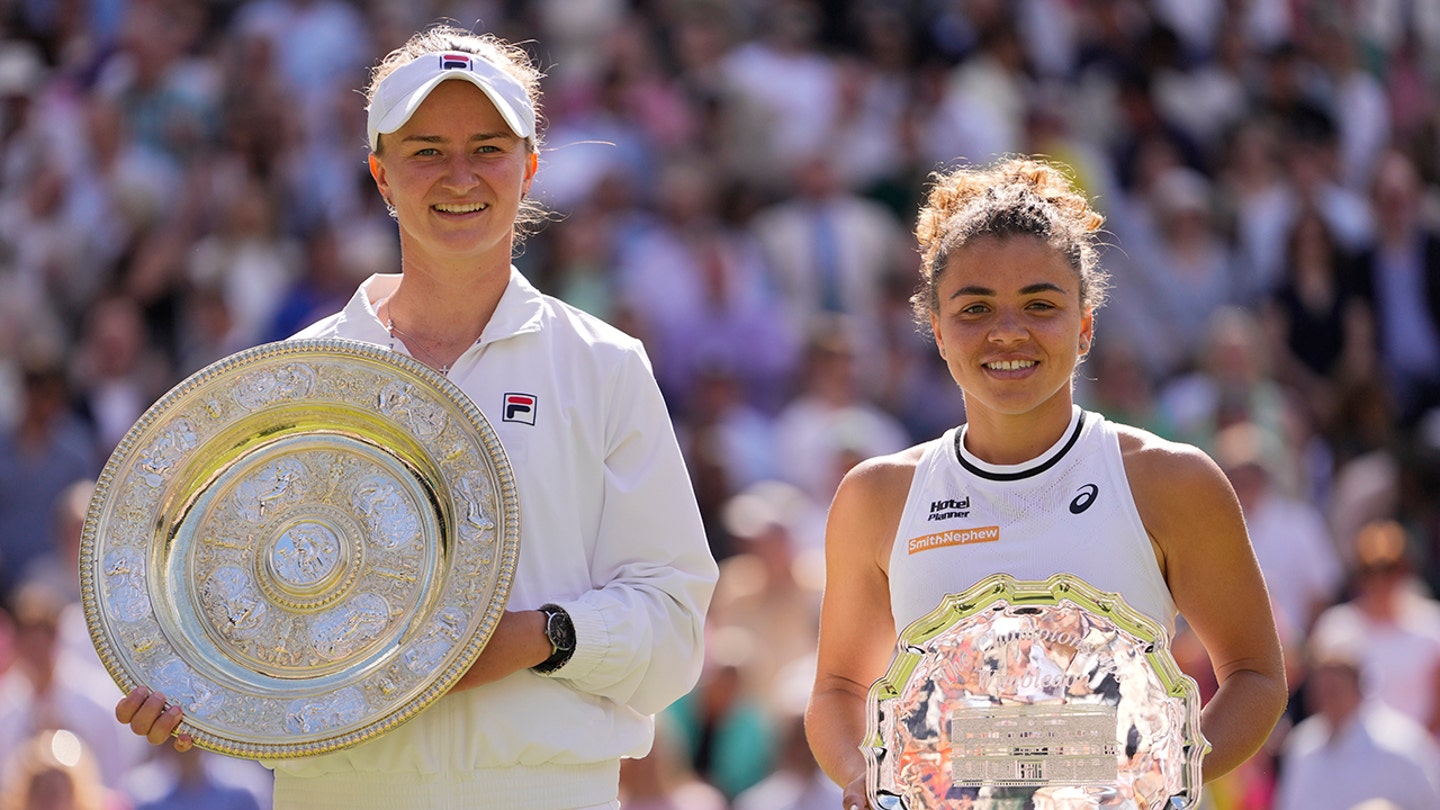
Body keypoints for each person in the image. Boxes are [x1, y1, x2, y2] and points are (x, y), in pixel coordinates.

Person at [114, 23, 718, 810]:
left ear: (530, 167)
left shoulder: (605, 365)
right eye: (426, 149)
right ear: (381, 176)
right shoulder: (300, 374)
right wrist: (191, 688)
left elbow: (675, 628)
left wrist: (534, 639)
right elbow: (239, 607)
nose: (459, 175)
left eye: (488, 148)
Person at [804, 157, 1288, 809]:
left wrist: (1146, 777)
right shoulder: (876, 498)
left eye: (1040, 304)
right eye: (975, 308)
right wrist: (870, 778)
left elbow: (1256, 677)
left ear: (1085, 326)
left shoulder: (1171, 481)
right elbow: (837, 689)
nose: (1008, 330)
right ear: (938, 332)